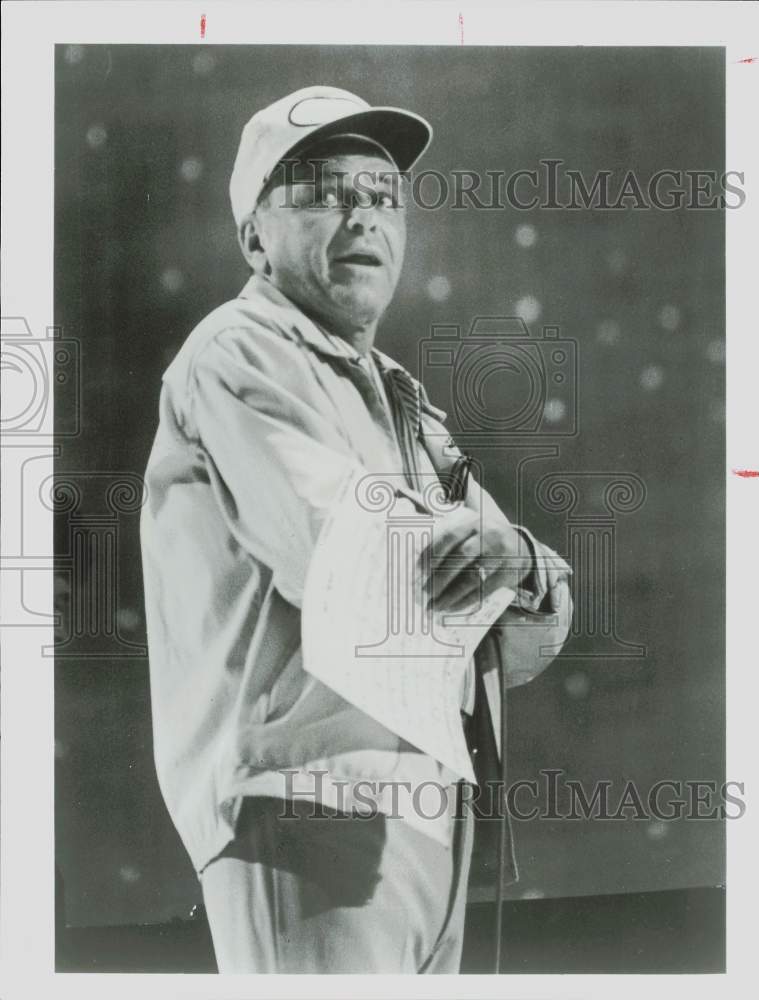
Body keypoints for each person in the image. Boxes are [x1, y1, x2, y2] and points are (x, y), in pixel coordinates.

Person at [140, 85, 572, 974]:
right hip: (304, 804)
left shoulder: (407, 404)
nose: (361, 216)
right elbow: (342, 559)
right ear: (256, 238)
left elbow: (524, 634)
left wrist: (521, 562)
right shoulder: (237, 350)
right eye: (323, 192)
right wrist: (490, 565)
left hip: (431, 818)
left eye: (381, 197)